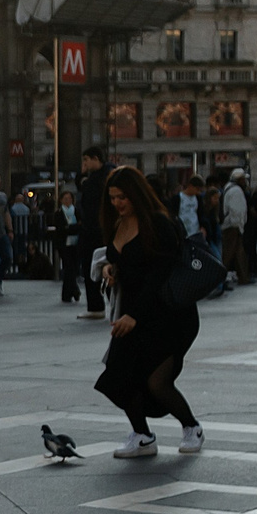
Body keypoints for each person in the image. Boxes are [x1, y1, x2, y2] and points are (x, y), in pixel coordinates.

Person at [95, 165, 202, 457]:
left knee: (157, 382)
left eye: (123, 197)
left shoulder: (158, 223)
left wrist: (135, 316)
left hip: (167, 315)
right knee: (119, 376)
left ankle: (191, 427)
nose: (117, 203)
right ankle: (142, 435)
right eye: (113, 197)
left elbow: (159, 274)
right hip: (133, 311)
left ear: (137, 195)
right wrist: (110, 268)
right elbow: (122, 258)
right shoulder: (119, 223)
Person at [74, 151, 110, 318]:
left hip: (97, 229)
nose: (85, 164)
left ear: (96, 159)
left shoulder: (102, 177)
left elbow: (86, 189)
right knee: (92, 266)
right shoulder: (99, 175)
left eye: (87, 160)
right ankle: (95, 305)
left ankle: (98, 305)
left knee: (100, 265)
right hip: (94, 228)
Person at [218, 169, 251, 286]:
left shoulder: (229, 188)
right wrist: (239, 226)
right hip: (233, 226)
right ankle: (218, 279)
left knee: (238, 253)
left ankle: (243, 277)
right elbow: (237, 211)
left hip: (231, 225)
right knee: (228, 254)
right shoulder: (236, 191)